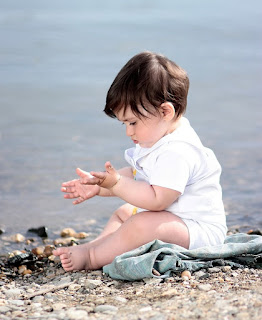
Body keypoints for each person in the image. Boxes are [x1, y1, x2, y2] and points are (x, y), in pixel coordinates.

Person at [53, 51, 227, 272]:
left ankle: (92, 257)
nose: (128, 131)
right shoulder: (160, 133)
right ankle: (96, 246)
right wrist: (101, 186)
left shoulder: (178, 152)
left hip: (199, 232)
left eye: (133, 122)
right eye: (124, 123)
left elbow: (157, 200)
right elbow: (139, 177)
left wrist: (116, 185)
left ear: (165, 111)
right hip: (175, 221)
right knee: (125, 213)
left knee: (139, 224)